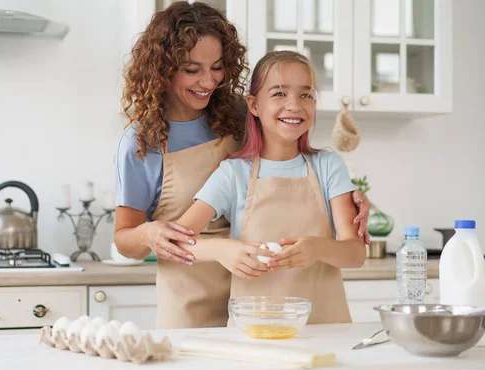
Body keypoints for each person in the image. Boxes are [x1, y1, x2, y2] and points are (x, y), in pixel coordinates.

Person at [113, 2, 369, 329]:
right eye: (192, 69)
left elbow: (294, 150)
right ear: (163, 68)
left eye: (217, 67)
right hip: (191, 294)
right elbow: (126, 239)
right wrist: (151, 234)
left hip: (261, 297)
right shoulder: (142, 143)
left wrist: (350, 197)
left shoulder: (237, 113)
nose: (208, 81)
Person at [176, 51, 367, 324]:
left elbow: (356, 252)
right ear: (253, 105)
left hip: (325, 330)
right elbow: (178, 242)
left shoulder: (328, 166)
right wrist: (222, 249)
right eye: (279, 94)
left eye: (306, 95)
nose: (294, 106)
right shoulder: (233, 173)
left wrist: (316, 249)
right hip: (253, 331)